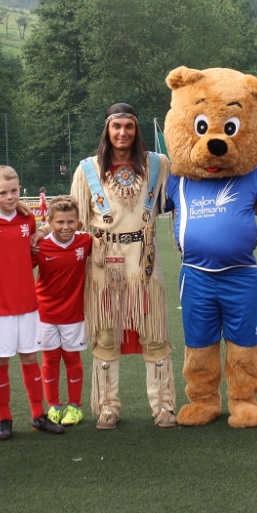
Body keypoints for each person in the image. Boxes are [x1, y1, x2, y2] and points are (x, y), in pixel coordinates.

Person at [68, 103, 176, 430]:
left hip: (144, 261)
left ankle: (163, 406)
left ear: (136, 129)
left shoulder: (158, 165)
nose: (122, 133)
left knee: (154, 334)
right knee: (105, 335)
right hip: (104, 262)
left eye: (128, 126)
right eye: (116, 126)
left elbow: (186, 189)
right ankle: (107, 407)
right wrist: (43, 233)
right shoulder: (87, 170)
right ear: (107, 130)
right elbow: (72, 219)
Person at [0, 165, 65, 440]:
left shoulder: (27, 219)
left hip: (27, 302)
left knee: (30, 358)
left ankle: (38, 415)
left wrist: (35, 225)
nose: (10, 197)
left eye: (14, 191)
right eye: (3, 192)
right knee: (1, 360)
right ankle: (4, 418)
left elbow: (32, 247)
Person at [33, 195, 94, 426]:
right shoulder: (41, 245)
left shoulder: (85, 241)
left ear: (78, 222)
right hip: (45, 313)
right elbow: (18, 267)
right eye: (59, 222)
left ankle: (74, 406)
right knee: (49, 359)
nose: (65, 227)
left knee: (72, 358)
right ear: (50, 222)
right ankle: (53, 406)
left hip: (73, 313)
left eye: (70, 222)